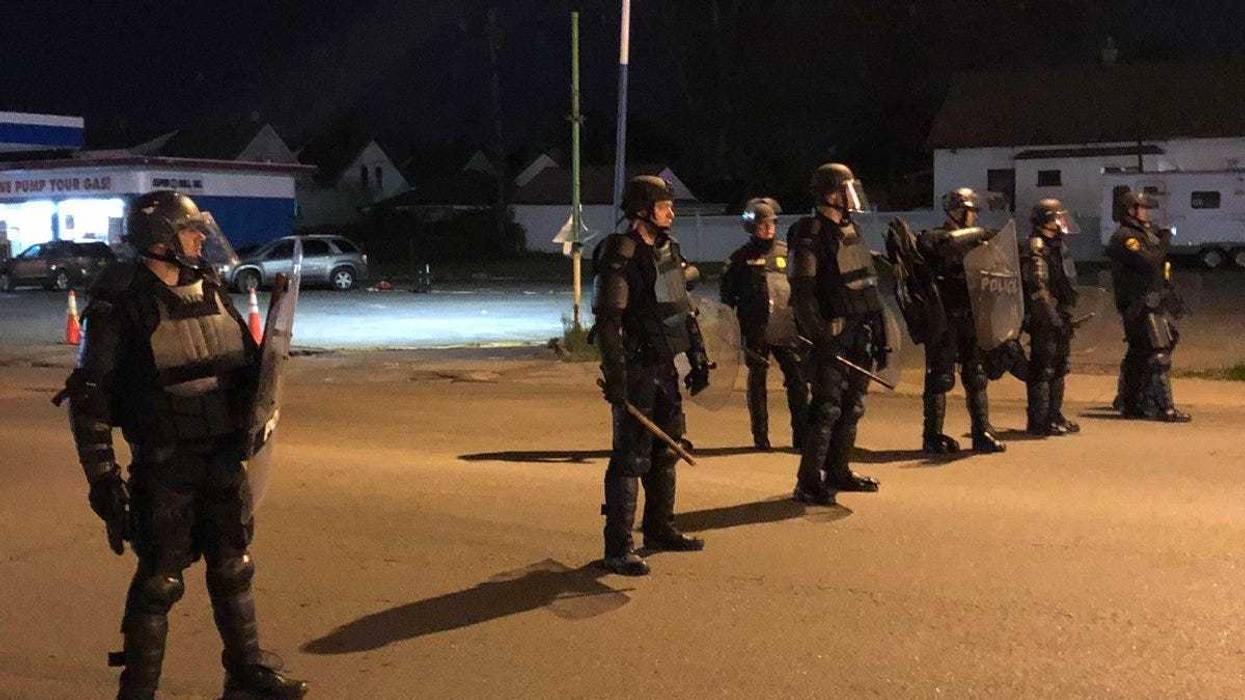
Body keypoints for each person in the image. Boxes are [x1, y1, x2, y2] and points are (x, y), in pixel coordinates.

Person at [57, 191, 308, 699]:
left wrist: (265, 366)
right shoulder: (119, 303)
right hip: (166, 464)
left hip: (223, 456)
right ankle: (138, 692)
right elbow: (91, 398)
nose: (200, 240)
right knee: (159, 582)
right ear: (161, 240)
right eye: (191, 232)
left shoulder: (210, 286)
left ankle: (245, 676)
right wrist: (103, 477)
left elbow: (241, 364)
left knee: (234, 568)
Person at [591, 175, 709, 576]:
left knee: (667, 447)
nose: (671, 213)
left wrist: (697, 356)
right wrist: (617, 377)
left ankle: (660, 528)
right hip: (636, 367)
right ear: (642, 210)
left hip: (664, 366)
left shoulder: (667, 251)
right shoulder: (621, 252)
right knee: (630, 456)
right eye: (664, 206)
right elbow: (608, 320)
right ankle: (618, 546)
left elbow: (683, 308)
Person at [788, 163, 885, 505]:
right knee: (826, 408)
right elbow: (802, 293)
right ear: (830, 194)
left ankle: (839, 470)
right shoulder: (810, 233)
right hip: (832, 331)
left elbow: (867, 285)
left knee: (852, 406)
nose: (852, 195)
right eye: (846, 188)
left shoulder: (851, 229)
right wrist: (820, 339)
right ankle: (808, 480)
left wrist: (882, 330)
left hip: (861, 330)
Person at [916, 188, 1007, 454]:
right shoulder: (934, 237)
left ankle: (982, 432)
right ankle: (932, 436)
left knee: (977, 376)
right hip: (944, 318)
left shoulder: (977, 241)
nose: (975, 217)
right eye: (971, 211)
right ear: (957, 211)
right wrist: (979, 235)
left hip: (973, 316)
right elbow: (937, 246)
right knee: (940, 378)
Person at [720, 197, 809, 450]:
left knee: (797, 379)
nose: (768, 228)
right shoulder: (739, 259)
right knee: (757, 381)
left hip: (785, 329)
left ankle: (801, 436)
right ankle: (761, 436)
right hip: (755, 329)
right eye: (762, 224)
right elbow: (727, 299)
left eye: (771, 223)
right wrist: (734, 330)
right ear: (752, 227)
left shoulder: (786, 252)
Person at [1106, 190, 1191, 422]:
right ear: (1130, 210)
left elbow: (1159, 269)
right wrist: (1163, 242)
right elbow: (1148, 261)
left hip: (1152, 301)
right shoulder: (1126, 237)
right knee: (1158, 353)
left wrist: (1169, 294)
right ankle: (1165, 408)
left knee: (1144, 351)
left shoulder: (1145, 234)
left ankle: (1131, 400)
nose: (1146, 213)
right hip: (1138, 304)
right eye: (1142, 208)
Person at [1021, 198, 1080, 435]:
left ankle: (1055, 415)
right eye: (1057, 218)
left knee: (1059, 367)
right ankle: (1039, 420)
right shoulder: (1036, 248)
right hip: (1044, 318)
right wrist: (1052, 319)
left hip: (1059, 314)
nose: (1061, 223)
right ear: (1045, 221)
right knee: (1043, 368)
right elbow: (1038, 289)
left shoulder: (1055, 246)